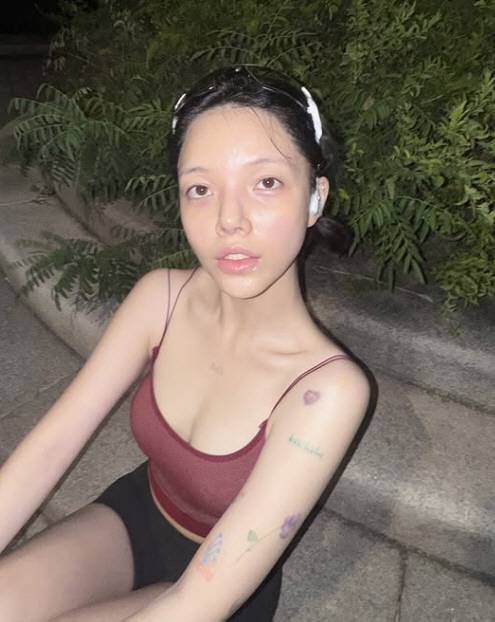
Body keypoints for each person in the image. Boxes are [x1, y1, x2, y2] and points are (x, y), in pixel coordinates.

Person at [0, 65, 370, 621]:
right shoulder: (161, 300)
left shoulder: (328, 390)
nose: (229, 220)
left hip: (221, 589)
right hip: (135, 517)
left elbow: (198, 601)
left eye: (266, 182)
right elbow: (50, 448)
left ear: (314, 198)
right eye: (201, 189)